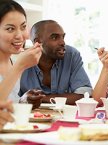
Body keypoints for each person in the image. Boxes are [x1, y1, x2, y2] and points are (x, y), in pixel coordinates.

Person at [19, 20, 92, 107]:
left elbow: (85, 95)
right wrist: (23, 100)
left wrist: (41, 99)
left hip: (65, 117)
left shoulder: (71, 55)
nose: (62, 43)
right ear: (37, 42)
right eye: (54, 37)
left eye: (63, 37)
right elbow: (13, 100)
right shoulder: (21, 61)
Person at [0, 0, 42, 129]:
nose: (20, 35)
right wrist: (19, 67)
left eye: (23, 27)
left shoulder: (12, 61)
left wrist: (23, 100)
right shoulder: (17, 65)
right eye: (10, 29)